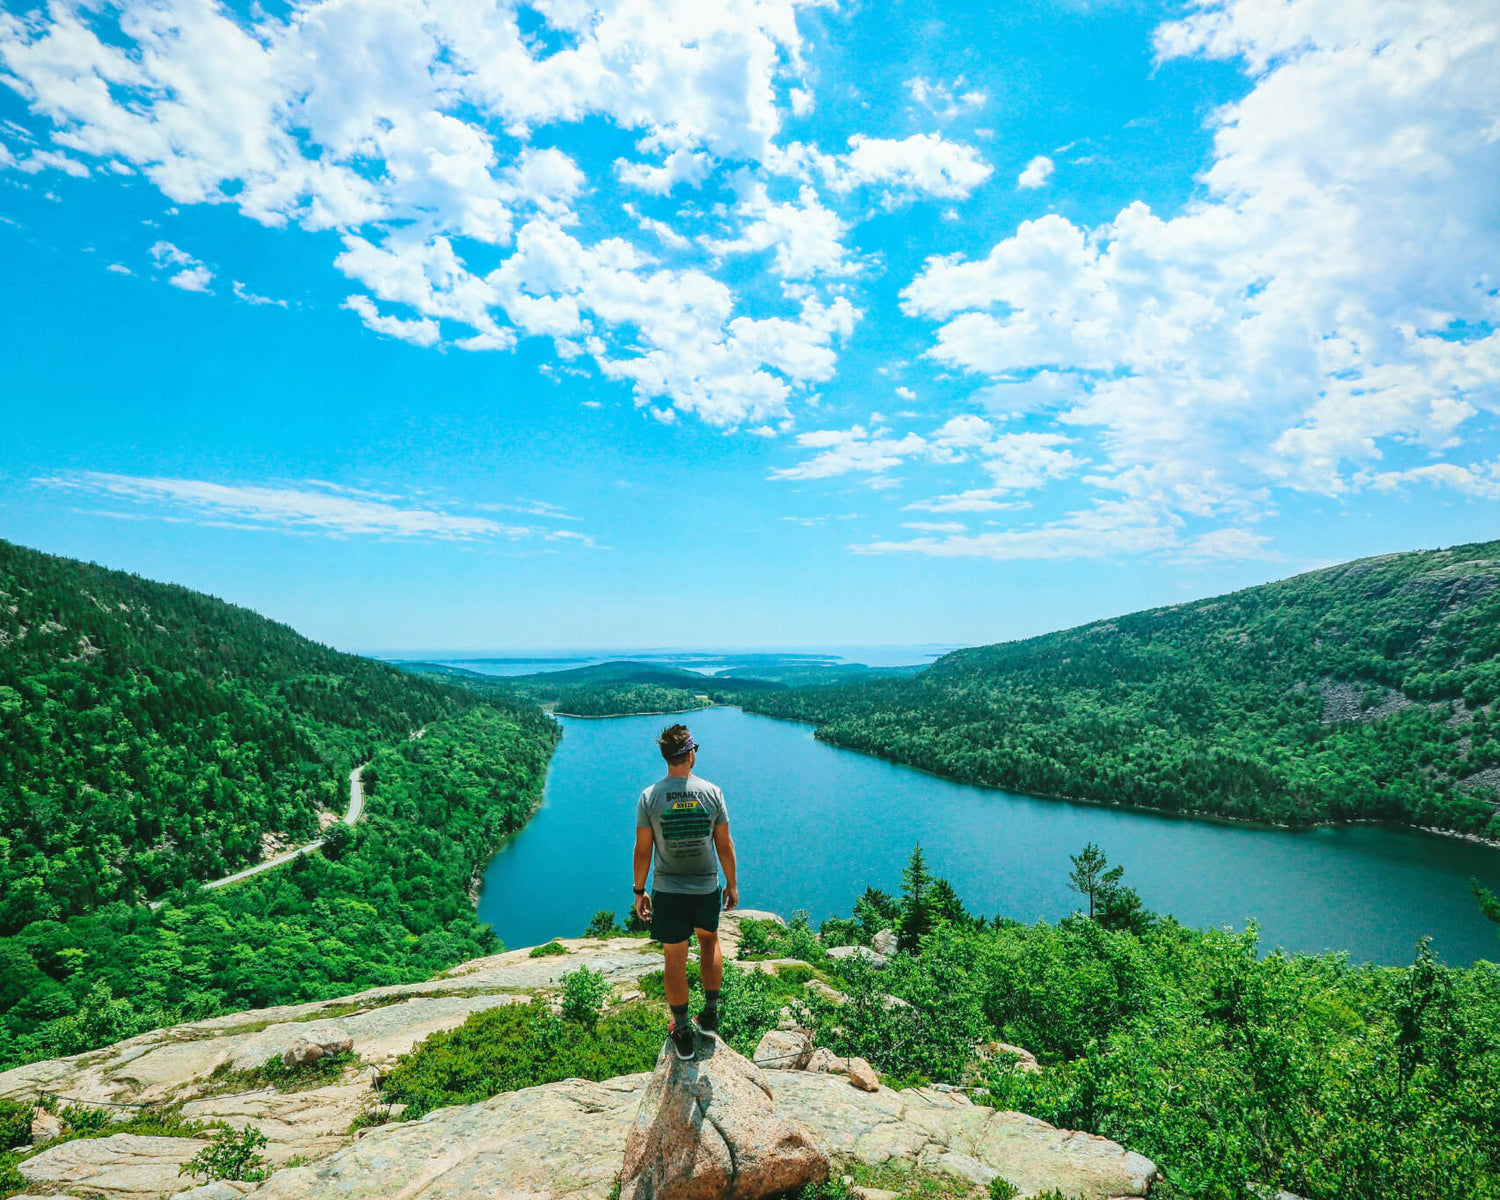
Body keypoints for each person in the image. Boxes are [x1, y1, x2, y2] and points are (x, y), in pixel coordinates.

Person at [633, 723, 739, 1060]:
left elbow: (642, 850)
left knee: (674, 958)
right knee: (709, 942)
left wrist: (639, 890)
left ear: (667, 756)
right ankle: (709, 1014)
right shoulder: (712, 792)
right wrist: (732, 884)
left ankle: (681, 1030)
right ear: (691, 754)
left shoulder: (650, 797)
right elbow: (724, 845)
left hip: (667, 889)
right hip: (706, 886)